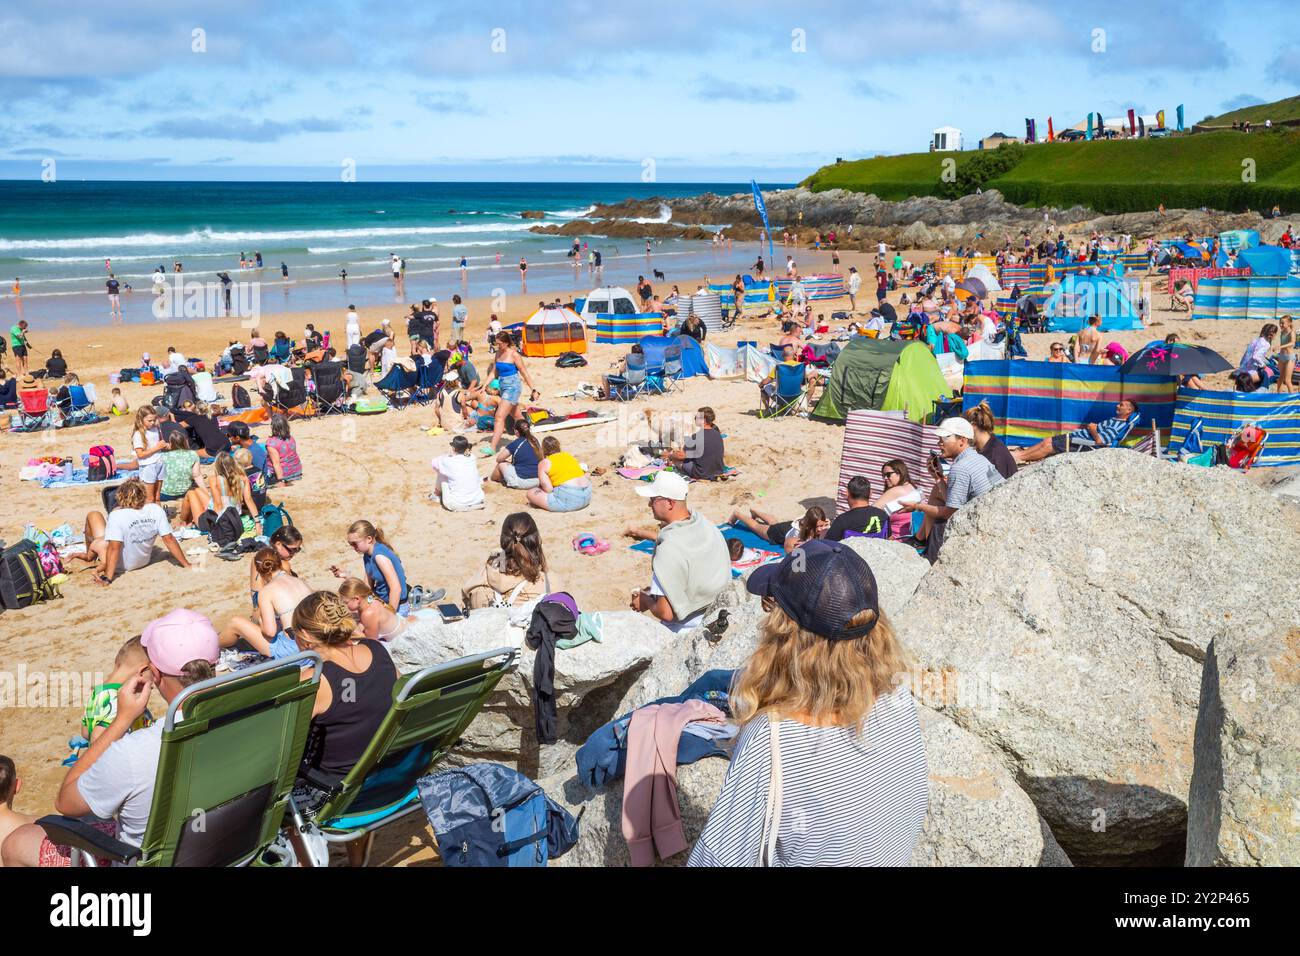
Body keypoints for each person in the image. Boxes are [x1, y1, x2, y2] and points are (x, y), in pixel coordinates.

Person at [689, 540, 928, 866]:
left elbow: (717, 861)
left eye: (770, 607)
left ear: (785, 636)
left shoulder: (772, 738)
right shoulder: (898, 696)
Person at [0, 610, 220, 866]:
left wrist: (122, 721)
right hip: (225, 845)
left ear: (155, 674)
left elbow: (66, 803)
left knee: (17, 842)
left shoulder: (134, 751)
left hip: (145, 859)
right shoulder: (255, 718)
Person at [290, 591, 397, 870]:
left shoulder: (314, 681)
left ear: (306, 636)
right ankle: (356, 862)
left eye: (293, 634)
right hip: (385, 779)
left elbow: (283, 744)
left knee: (279, 801)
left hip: (337, 794)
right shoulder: (378, 651)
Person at [628, 471, 730, 631]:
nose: (649, 505)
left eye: (653, 500)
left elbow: (667, 613)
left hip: (687, 629)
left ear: (669, 503)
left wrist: (645, 600)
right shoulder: (707, 526)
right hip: (718, 613)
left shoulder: (668, 548)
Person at [901, 418, 1004, 562]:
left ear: (962, 440)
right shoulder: (979, 459)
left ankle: (930, 559)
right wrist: (937, 478)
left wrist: (917, 506)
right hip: (994, 514)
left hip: (983, 523)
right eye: (939, 440)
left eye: (944, 439)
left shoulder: (960, 468)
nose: (939, 443)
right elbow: (954, 500)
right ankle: (921, 540)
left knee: (940, 524)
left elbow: (949, 512)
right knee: (937, 490)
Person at [69, 476, 191, 586]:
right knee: (108, 535)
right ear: (143, 495)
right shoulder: (156, 510)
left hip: (120, 565)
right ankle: (90, 556)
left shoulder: (117, 515)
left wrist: (108, 578)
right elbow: (169, 540)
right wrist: (187, 564)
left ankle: (89, 557)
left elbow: (113, 547)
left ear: (121, 497)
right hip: (142, 561)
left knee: (93, 515)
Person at [220, 547, 314, 659]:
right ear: (280, 563)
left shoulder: (266, 592)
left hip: (293, 652)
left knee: (235, 623)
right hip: (313, 644)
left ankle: (211, 648)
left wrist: (261, 620)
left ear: (260, 572)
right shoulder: (300, 582)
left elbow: (270, 632)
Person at [462, 512, 565, 610]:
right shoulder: (549, 582)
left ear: (504, 541)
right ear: (536, 540)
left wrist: (496, 557)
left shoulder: (483, 576)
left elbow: (465, 599)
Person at [1012, 399, 1140, 464]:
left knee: (1048, 446)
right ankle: (1020, 455)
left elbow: (1101, 441)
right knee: (1047, 441)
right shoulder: (1114, 420)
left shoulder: (1118, 425)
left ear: (1129, 411)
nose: (1117, 406)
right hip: (1076, 437)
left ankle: (1018, 457)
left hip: (1080, 443)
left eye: (1121, 405)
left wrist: (1093, 429)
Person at [331, 520, 408, 613]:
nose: (353, 547)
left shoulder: (380, 557)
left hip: (396, 605)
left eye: (355, 543)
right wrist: (346, 576)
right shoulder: (367, 556)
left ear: (369, 539)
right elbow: (366, 588)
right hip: (381, 602)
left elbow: (396, 588)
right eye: (351, 544)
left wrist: (390, 614)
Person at [176, 450, 261, 529]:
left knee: (190, 493)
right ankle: (188, 520)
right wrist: (257, 523)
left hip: (216, 522)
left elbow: (218, 506)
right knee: (197, 491)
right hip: (235, 518)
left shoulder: (215, 480)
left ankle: (182, 522)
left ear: (217, 465)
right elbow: (249, 500)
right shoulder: (243, 478)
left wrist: (219, 527)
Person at [486, 331, 539, 452]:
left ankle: (492, 447)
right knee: (517, 416)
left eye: (499, 344)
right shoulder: (498, 354)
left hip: (513, 388)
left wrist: (533, 389)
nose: (497, 346)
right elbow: (494, 372)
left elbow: (524, 372)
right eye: (496, 344)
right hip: (503, 387)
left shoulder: (514, 355)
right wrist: (484, 384)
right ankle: (530, 439)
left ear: (506, 342)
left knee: (499, 417)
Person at [526, 435, 593, 512]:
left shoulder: (545, 462)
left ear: (544, 449)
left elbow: (548, 489)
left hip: (570, 497)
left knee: (531, 493)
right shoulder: (568, 455)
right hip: (587, 494)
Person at [339, 577, 418, 641]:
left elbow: (372, 641)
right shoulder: (370, 600)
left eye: (346, 603)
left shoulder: (368, 613)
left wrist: (354, 633)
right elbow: (364, 624)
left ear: (357, 599)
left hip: (399, 638)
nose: (345, 606)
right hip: (400, 624)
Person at [728, 504, 828, 550]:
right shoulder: (797, 533)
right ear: (809, 526)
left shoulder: (812, 523)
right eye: (818, 526)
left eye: (822, 525)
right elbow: (789, 545)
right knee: (756, 526)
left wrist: (825, 526)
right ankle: (737, 514)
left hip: (787, 527)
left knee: (774, 522)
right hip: (779, 534)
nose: (821, 529)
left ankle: (755, 511)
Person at [665, 406, 726, 480]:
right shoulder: (717, 434)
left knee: (676, 460)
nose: (694, 419)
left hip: (702, 474)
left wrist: (670, 456)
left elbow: (681, 456)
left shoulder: (696, 436)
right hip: (719, 471)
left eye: (696, 417)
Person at [823, 475, 889, 540]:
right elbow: (889, 540)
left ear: (847, 493)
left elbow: (827, 545)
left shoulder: (842, 520)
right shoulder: (883, 516)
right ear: (870, 493)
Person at [964, 401, 1018, 479]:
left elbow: (995, 489)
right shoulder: (990, 446)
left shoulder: (994, 454)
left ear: (973, 426)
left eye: (963, 428)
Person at [432, 435, 486, 511]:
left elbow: (434, 464)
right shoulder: (472, 457)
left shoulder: (447, 461)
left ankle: (436, 495)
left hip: (456, 504)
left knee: (442, 473)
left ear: (453, 448)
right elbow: (467, 454)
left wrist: (447, 456)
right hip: (478, 500)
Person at [873, 459, 922, 539]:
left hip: (896, 541)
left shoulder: (896, 491)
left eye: (888, 474)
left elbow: (871, 511)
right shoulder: (913, 488)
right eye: (883, 475)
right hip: (912, 540)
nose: (885, 478)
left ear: (899, 472)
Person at [490, 415, 542, 489]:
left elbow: (499, 459)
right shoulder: (535, 441)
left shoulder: (515, 443)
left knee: (501, 464)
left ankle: (492, 479)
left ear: (516, 431)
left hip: (523, 482)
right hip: (539, 479)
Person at [130, 406, 167, 504]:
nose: (153, 422)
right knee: (149, 498)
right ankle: (150, 517)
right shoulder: (138, 434)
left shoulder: (156, 428)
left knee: (157, 496)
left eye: (154, 420)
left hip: (159, 463)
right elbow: (140, 454)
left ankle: (159, 517)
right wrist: (157, 448)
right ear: (141, 420)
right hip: (148, 466)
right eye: (149, 420)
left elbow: (158, 444)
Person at [159, 430, 201, 502]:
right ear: (184, 441)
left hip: (165, 494)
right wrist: (205, 491)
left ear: (170, 443)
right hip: (184, 492)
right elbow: (197, 475)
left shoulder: (163, 456)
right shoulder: (193, 454)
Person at [265, 413, 303, 484]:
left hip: (284, 475)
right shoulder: (291, 438)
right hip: (297, 471)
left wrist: (280, 481)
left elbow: (276, 464)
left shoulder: (271, 443)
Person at [1276, 314, 1295, 393]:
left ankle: (1293, 398)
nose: (1281, 325)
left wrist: (1280, 347)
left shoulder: (1292, 332)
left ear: (1289, 323)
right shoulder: (1282, 332)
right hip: (1282, 357)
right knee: (1280, 379)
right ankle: (1278, 396)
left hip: (1289, 358)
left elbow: (1292, 343)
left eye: (1283, 323)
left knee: (1287, 380)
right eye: (1280, 323)